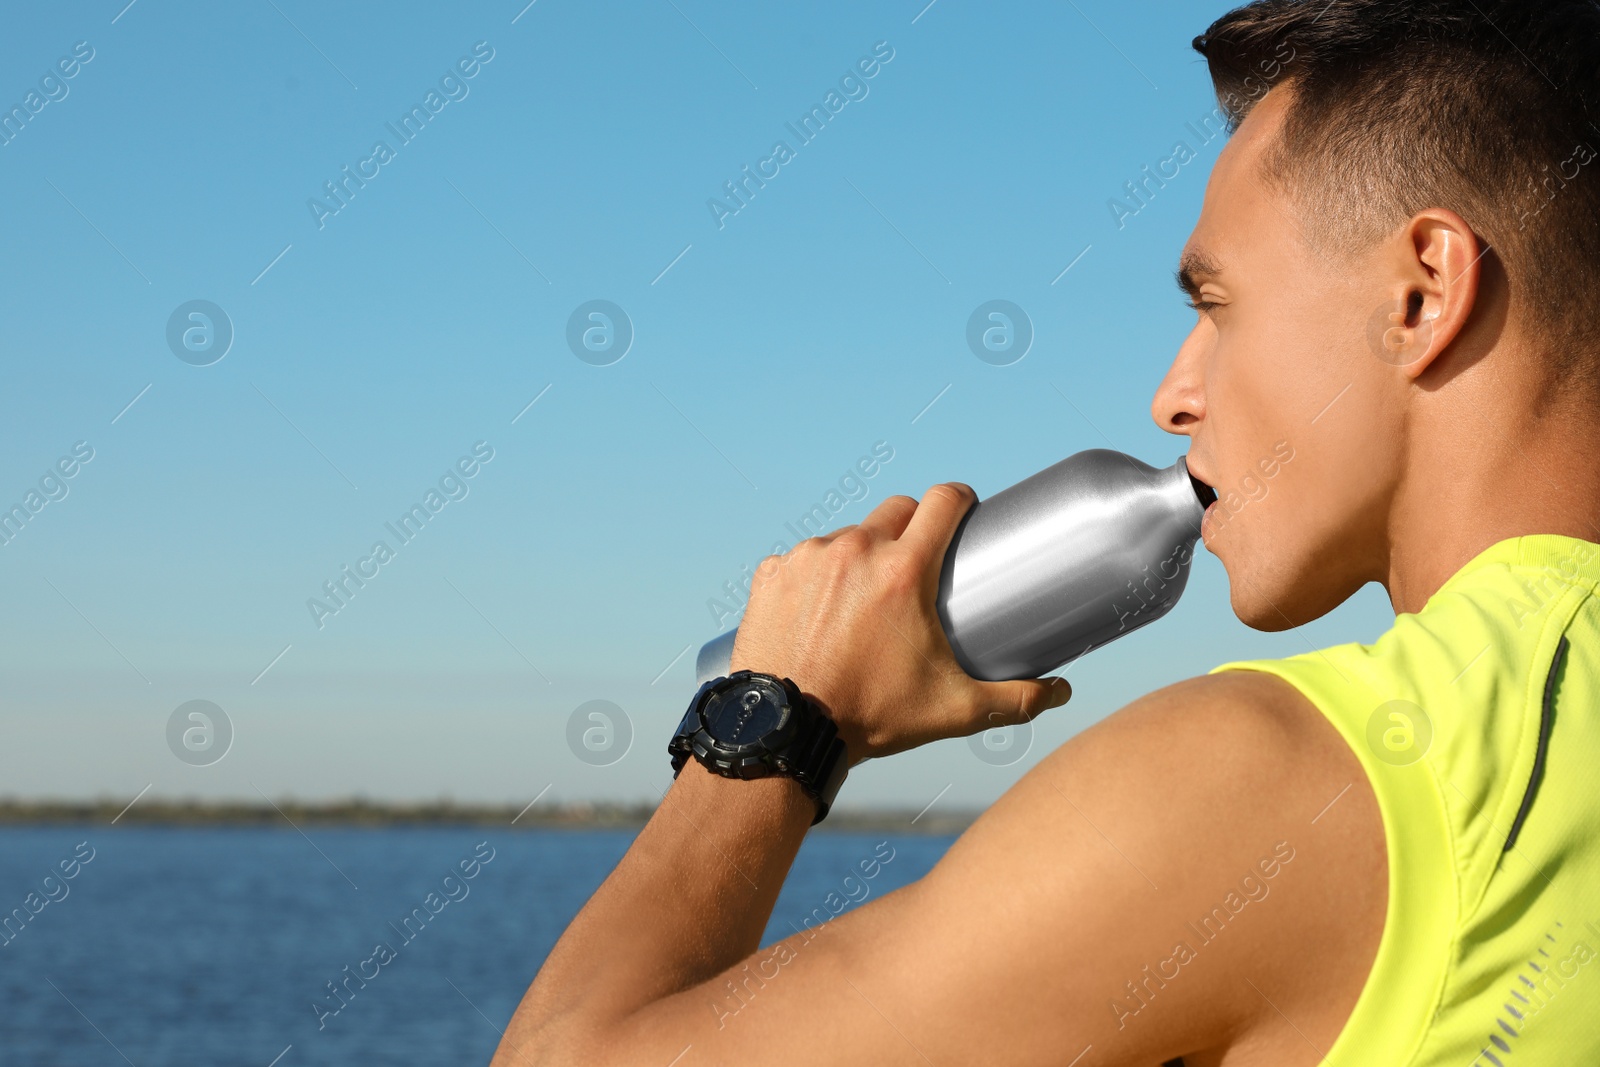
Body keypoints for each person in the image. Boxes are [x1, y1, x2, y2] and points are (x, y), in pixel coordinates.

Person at [490, 1, 1600, 1063]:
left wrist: (774, 718)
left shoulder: (1268, 786)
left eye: (1215, 305)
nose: (1173, 397)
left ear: (1419, 294)